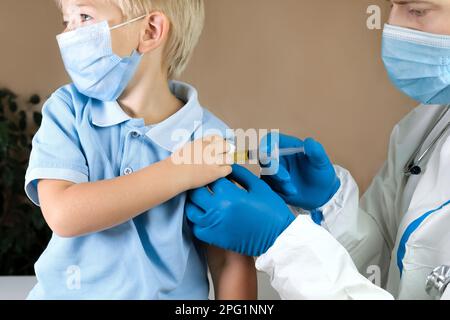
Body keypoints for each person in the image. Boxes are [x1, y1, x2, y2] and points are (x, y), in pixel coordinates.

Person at [186, 0, 450, 300]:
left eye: (417, 11)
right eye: (391, 6)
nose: (391, 26)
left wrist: (283, 243)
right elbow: (385, 265)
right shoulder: (428, 123)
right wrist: (329, 204)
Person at [24, 0, 257, 299]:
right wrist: (180, 171)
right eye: (67, 20)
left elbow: (228, 260)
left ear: (150, 31)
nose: (70, 34)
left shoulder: (210, 138)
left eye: (84, 16)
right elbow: (63, 213)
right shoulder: (67, 110)